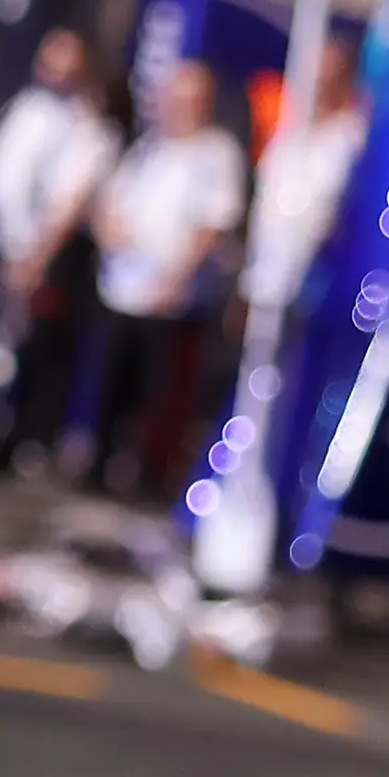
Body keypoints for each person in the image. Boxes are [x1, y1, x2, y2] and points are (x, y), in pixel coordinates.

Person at [73, 59, 245, 492]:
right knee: (114, 380)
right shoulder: (148, 147)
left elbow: (214, 221)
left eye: (187, 100)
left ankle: (152, 475)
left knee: (162, 391)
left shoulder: (216, 154)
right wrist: (106, 227)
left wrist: (178, 274)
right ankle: (100, 461)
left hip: (172, 296)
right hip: (121, 286)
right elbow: (108, 199)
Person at [0, 26, 118, 469]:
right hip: (0, 242)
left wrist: (34, 257)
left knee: (37, 350)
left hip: (44, 256)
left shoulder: (88, 128)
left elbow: (66, 200)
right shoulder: (28, 107)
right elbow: (2, 178)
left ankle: (19, 439)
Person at [240, 29, 366, 321]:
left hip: (311, 288)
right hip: (260, 283)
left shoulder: (352, 138)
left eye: (325, 77)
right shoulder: (287, 131)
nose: (315, 85)